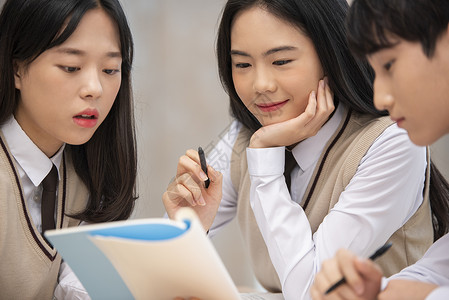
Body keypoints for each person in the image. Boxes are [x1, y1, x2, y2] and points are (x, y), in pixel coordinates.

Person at [163, 0, 449, 299]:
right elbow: (163, 280)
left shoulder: (391, 142)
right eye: (243, 64)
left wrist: (265, 156)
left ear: (329, 55)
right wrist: (187, 229)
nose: (260, 84)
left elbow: (311, 291)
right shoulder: (243, 135)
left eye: (281, 61)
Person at [311, 0, 449, 299]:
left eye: (389, 65)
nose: (380, 98)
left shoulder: (387, 142)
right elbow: (435, 273)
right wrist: (374, 290)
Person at [0, 0, 137, 298]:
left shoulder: (91, 174)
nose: (94, 88)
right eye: (71, 67)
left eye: (110, 70)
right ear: (16, 68)